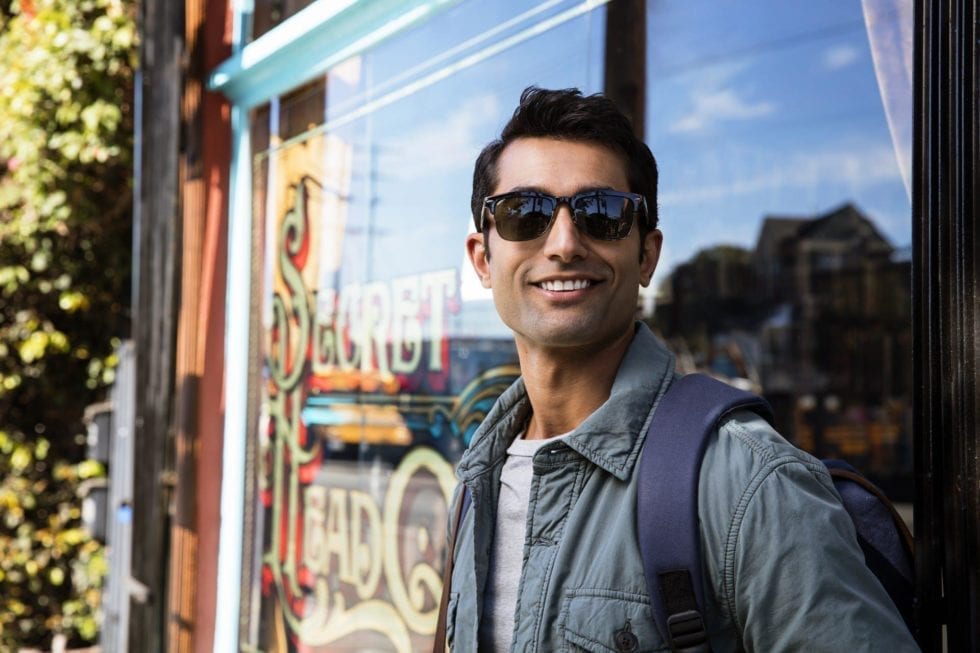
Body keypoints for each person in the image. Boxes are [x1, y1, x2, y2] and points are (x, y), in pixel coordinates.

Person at [443, 86, 917, 652]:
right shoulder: (478, 479)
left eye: (603, 214)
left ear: (646, 255)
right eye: (526, 213)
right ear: (482, 259)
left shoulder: (747, 483)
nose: (564, 244)